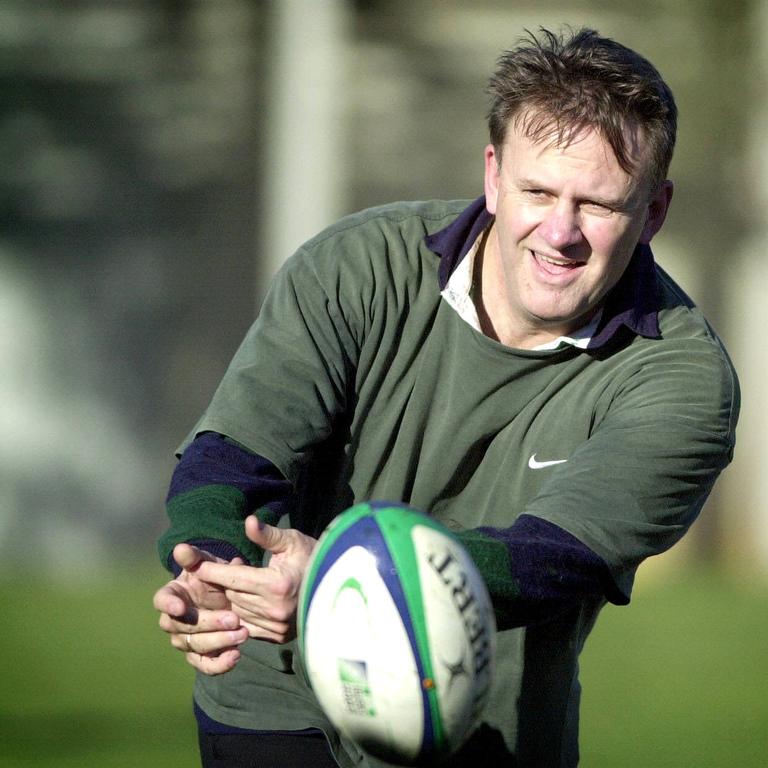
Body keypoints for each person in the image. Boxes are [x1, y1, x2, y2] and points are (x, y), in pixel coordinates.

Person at [153, 26, 739, 768]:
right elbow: (231, 454)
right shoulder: (356, 266)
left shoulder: (682, 380)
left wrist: (337, 577)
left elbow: (552, 560)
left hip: (486, 732)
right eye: (537, 191)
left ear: (654, 211)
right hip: (277, 698)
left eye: (597, 204)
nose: (559, 232)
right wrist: (213, 569)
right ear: (493, 176)